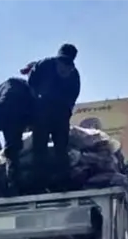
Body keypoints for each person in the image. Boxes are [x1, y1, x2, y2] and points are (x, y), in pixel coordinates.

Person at [20, 44, 81, 183]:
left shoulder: (74, 77)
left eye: (68, 65)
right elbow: (31, 85)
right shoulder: (44, 65)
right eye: (62, 62)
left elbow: (73, 98)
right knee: (39, 147)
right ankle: (39, 181)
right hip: (42, 111)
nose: (63, 67)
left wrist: (65, 113)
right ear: (57, 61)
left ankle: (62, 181)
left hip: (61, 113)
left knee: (61, 148)